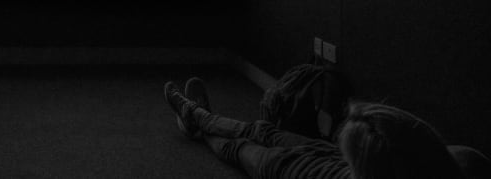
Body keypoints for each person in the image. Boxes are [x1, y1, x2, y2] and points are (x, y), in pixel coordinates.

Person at [163, 77, 490, 179]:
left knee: (239, 148)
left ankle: (197, 121)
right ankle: (198, 116)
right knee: (260, 130)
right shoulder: (466, 162)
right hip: (324, 156)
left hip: (294, 170)